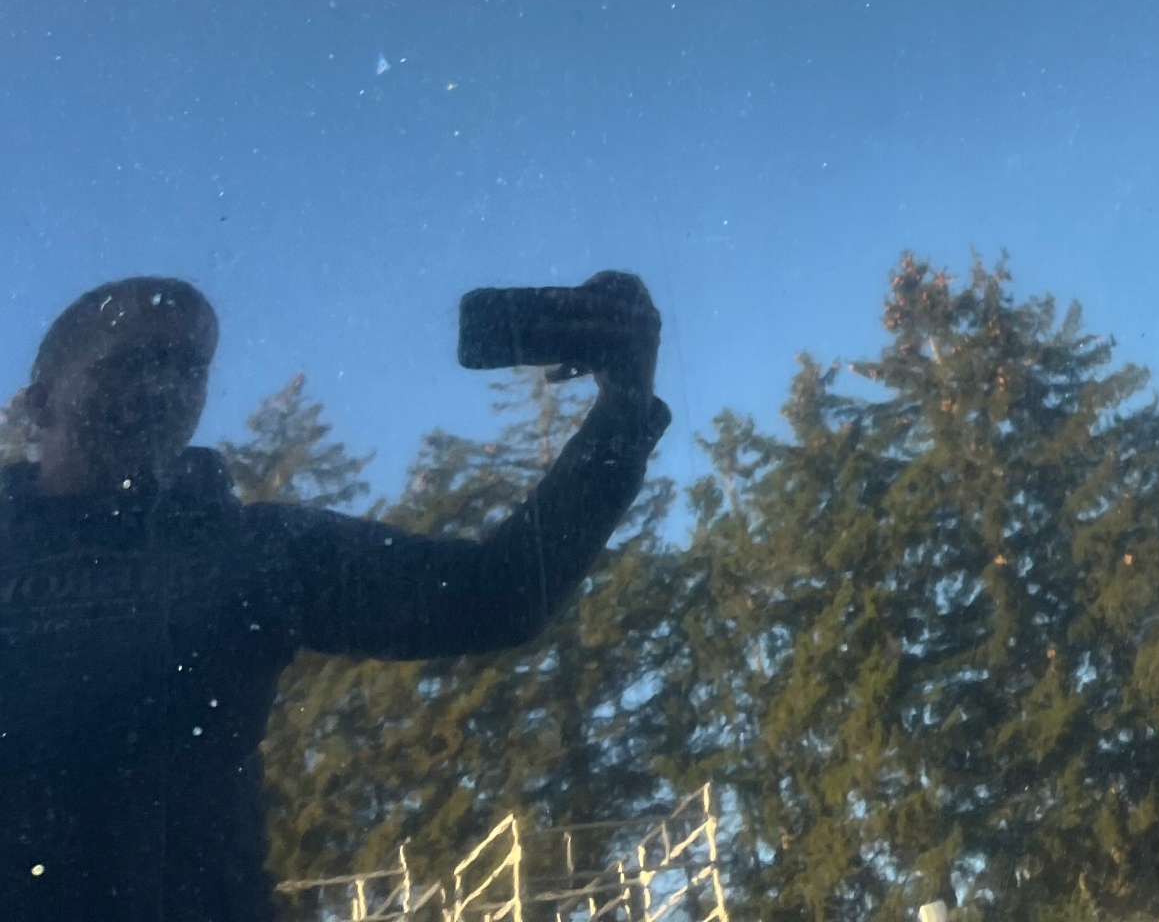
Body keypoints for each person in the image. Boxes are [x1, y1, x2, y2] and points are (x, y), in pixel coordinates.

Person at [0, 271, 669, 922]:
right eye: (131, 362)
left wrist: (624, 409)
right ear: (40, 404)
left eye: (187, 367)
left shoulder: (256, 551)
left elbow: (497, 594)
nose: (161, 387)